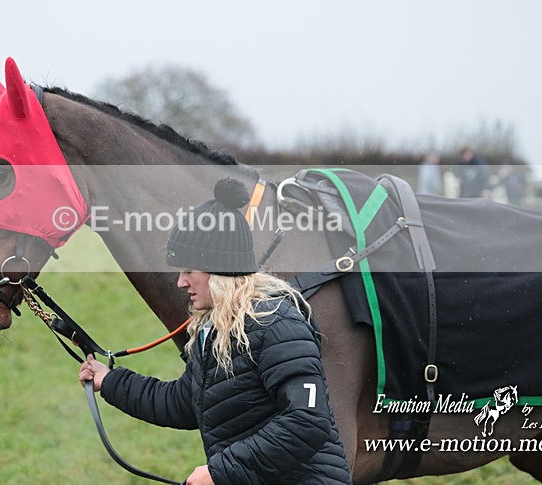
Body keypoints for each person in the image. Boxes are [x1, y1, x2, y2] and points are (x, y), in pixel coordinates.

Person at [79, 178, 351, 485]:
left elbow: (307, 421)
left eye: (188, 271)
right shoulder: (214, 329)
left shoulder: (276, 323)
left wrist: (220, 471)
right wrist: (110, 380)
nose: (181, 282)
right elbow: (183, 403)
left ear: (218, 269)